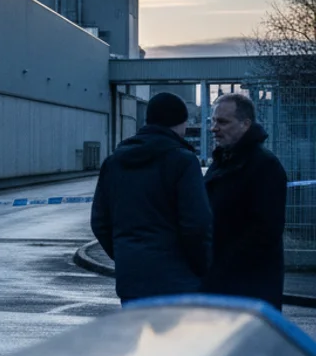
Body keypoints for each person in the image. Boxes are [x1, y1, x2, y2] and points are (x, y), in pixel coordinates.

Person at [90, 92, 212, 305]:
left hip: (132, 280)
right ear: (180, 123)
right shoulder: (183, 161)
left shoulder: (114, 162)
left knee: (139, 338)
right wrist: (202, 267)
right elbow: (196, 224)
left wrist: (125, 255)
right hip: (177, 281)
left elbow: (100, 222)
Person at [204, 92, 288, 309]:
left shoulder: (265, 166)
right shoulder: (222, 162)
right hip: (222, 283)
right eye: (213, 121)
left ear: (245, 124)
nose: (214, 128)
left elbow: (266, 231)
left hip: (249, 289)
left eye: (222, 122)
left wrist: (220, 264)